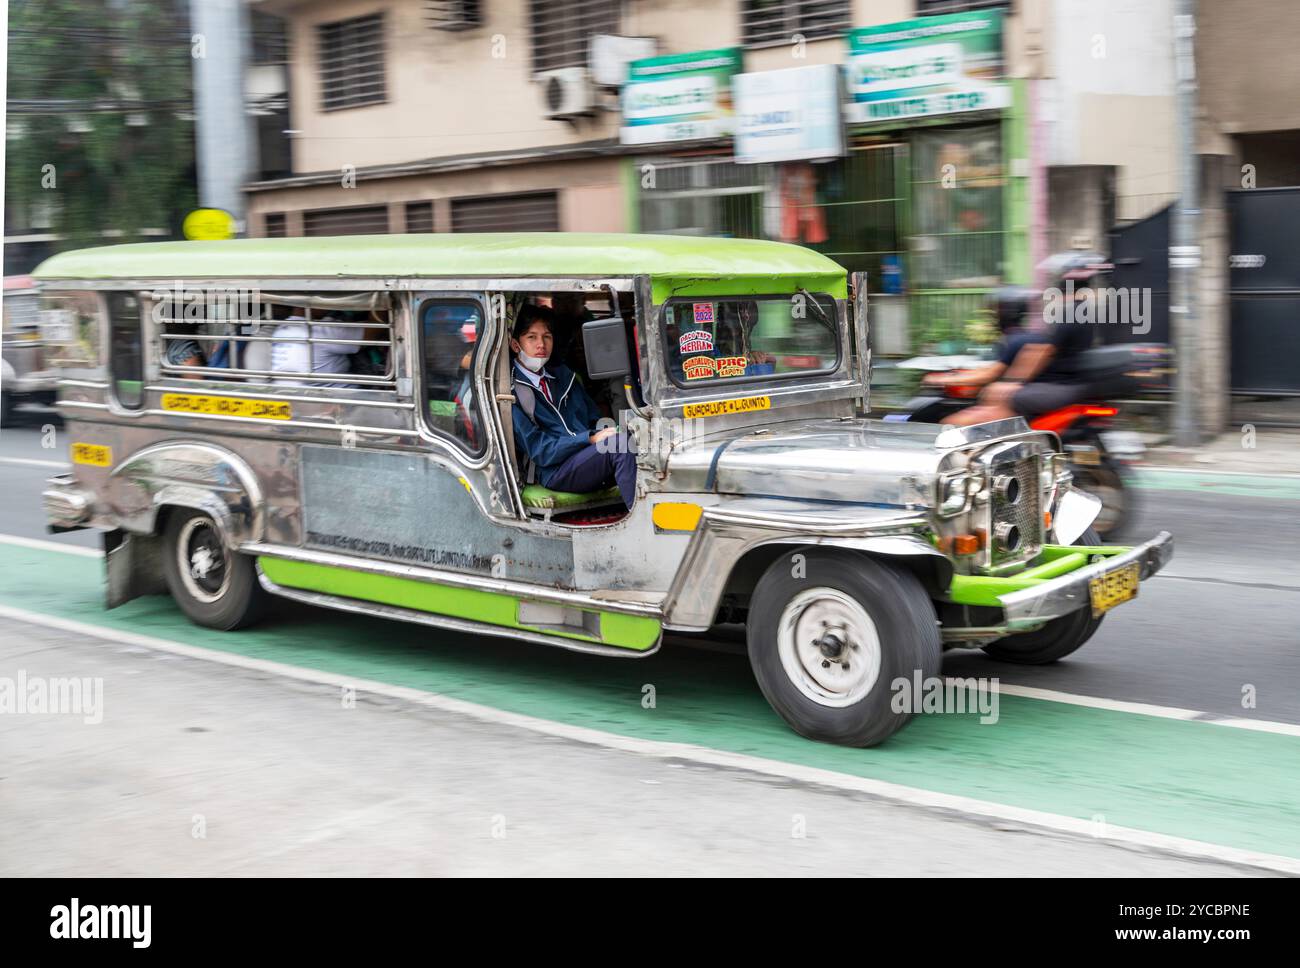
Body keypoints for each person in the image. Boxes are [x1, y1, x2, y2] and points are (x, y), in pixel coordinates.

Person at [942, 262, 1104, 426]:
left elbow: (1044, 351)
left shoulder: (1071, 313)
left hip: (1062, 386)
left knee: (1001, 396)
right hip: (1070, 384)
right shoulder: (1084, 312)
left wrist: (1013, 382)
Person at [509, 304, 637, 510]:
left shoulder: (565, 377)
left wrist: (612, 431)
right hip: (555, 470)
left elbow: (595, 419)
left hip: (586, 456)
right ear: (516, 345)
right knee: (620, 446)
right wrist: (588, 438)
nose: (541, 344)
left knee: (646, 440)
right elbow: (540, 451)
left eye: (547, 337)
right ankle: (644, 526)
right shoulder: (512, 393)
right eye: (531, 337)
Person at [270, 312, 363, 388]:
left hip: (297, 396)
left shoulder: (280, 328)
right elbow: (371, 334)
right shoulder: (323, 329)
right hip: (336, 398)